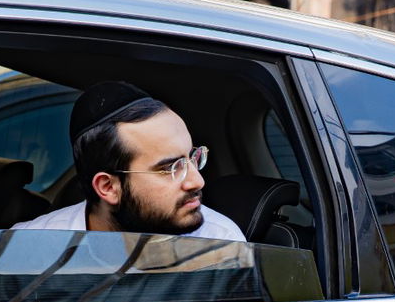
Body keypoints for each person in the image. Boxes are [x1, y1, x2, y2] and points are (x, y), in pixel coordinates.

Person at [14, 81, 245, 241]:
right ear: (108, 187)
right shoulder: (30, 249)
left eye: (191, 159)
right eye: (169, 168)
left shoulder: (220, 243)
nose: (197, 181)